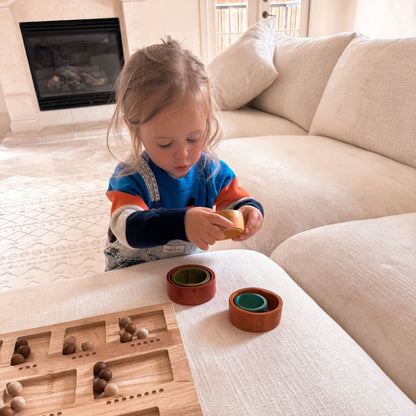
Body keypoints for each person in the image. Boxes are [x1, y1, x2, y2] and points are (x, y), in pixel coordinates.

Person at [104, 37, 263, 271]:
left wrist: (250, 211)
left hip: (185, 267)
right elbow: (129, 229)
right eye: (165, 143)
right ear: (133, 128)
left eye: (193, 138)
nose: (183, 155)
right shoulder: (130, 176)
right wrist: (183, 223)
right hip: (133, 272)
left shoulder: (211, 171)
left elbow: (236, 200)